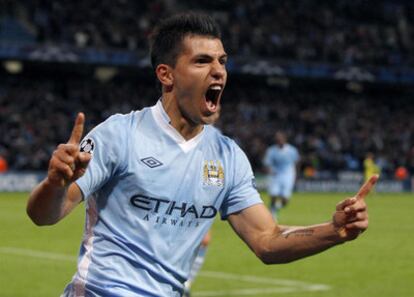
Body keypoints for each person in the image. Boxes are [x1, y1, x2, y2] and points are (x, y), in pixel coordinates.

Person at [27, 12, 378, 297]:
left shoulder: (228, 156)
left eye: (222, 61)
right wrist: (56, 184)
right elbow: (44, 215)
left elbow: (267, 241)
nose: (219, 70)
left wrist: (334, 230)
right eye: (202, 61)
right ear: (167, 75)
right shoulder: (120, 135)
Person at [263, 131, 299, 219]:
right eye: (277, 139)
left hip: (288, 175)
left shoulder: (292, 150)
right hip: (276, 175)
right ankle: (272, 212)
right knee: (273, 195)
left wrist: (296, 174)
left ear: (284, 139)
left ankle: (275, 207)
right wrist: (270, 171)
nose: (279, 140)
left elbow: (297, 162)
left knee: (285, 199)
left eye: (280, 139)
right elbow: (267, 163)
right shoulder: (271, 150)